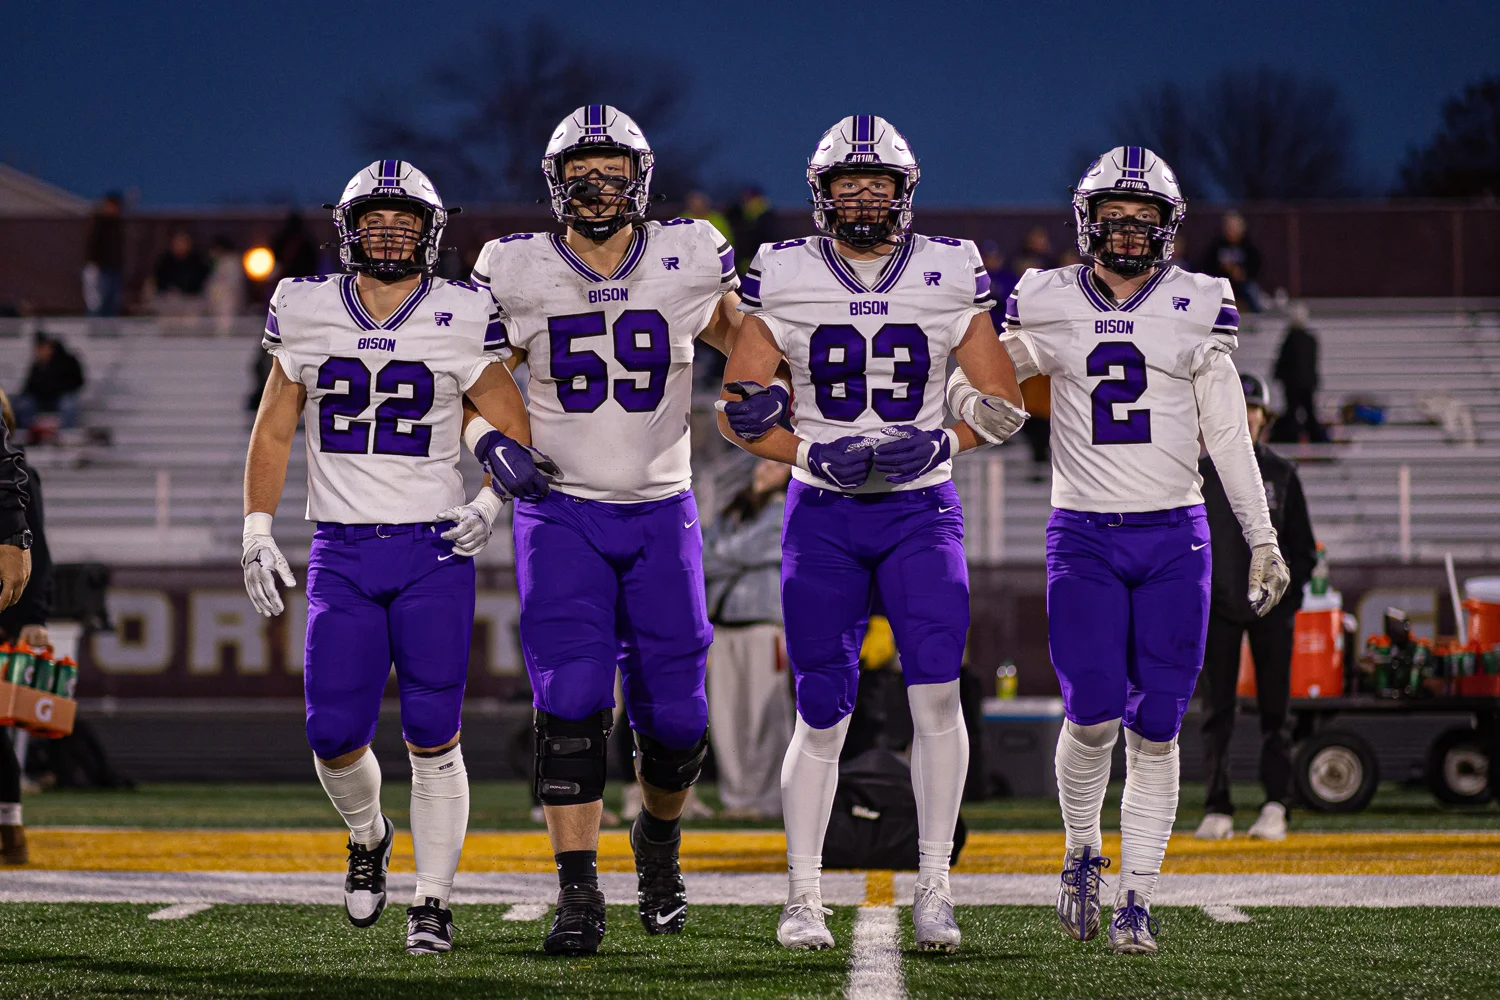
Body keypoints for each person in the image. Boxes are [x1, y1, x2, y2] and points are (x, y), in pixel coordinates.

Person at [717, 114, 1028, 954]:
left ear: (904, 194)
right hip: (822, 513)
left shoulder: (948, 268)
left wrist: (947, 437)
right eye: (847, 186)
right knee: (821, 709)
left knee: (934, 693)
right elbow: (739, 412)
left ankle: (935, 887)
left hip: (920, 511)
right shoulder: (781, 273)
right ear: (821, 197)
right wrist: (813, 449)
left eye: (877, 186)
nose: (862, 200)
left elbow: (1003, 402)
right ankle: (804, 897)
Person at [242, 159, 553, 955]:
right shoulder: (306, 307)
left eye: (403, 221)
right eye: (374, 220)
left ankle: (435, 901)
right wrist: (255, 527)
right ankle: (369, 834)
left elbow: (510, 421)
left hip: (431, 549)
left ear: (429, 233)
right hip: (341, 549)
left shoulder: (460, 311)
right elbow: (276, 426)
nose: (388, 233)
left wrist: (488, 502)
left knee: (432, 732)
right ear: (346, 230)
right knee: (332, 732)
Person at [468, 105, 743, 957]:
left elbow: (753, 341)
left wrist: (773, 400)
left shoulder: (688, 255)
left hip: (664, 512)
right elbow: (464, 378)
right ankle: (578, 891)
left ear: (639, 178)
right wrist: (487, 444)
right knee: (573, 697)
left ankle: (656, 847)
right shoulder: (512, 269)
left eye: (611, 169)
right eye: (579, 171)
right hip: (563, 514)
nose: (596, 185)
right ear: (556, 183)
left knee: (679, 721)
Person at [1001, 146, 1289, 955]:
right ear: (1086, 222)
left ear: (1169, 229)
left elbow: (1228, 436)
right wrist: (967, 400)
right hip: (1084, 534)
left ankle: (1139, 896)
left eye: (1144, 220)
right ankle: (1082, 850)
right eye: (1114, 219)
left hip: (1174, 536)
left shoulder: (1200, 302)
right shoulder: (1046, 297)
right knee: (1091, 711)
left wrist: (1261, 535)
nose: (1128, 234)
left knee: (1158, 722)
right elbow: (994, 379)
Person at [1195, 373, 1316, 842]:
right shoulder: (1200, 474)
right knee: (1215, 711)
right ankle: (1217, 806)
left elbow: (1303, 550)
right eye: (1238, 405)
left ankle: (1275, 803)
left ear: (1265, 417)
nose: (1246, 415)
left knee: (1275, 709)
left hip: (1273, 610)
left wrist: (1289, 600)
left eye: (1253, 407)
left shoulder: (1282, 474)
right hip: (1218, 609)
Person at [703, 459, 794, 819]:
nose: (766, 468)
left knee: (765, 714)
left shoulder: (788, 505)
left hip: (765, 624)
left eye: (776, 464)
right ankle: (738, 799)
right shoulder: (733, 510)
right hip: (723, 627)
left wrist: (722, 554)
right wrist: (729, 554)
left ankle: (770, 798)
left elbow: (750, 549)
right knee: (725, 718)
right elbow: (702, 555)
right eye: (764, 462)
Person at [0, 389, 45, 865]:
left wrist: (34, 615)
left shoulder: (19, 477)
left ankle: (11, 825)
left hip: (7, 603)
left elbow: (40, 551)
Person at [1271, 306, 1328, 443]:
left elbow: (1283, 361)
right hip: (1307, 384)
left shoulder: (1290, 339)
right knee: (1308, 413)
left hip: (1293, 384)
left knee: (1293, 412)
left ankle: (1290, 438)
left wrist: (1277, 375)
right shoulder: (1311, 340)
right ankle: (1318, 440)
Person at [15, 333, 86, 434]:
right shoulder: (38, 365)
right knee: (23, 404)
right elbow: (29, 387)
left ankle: (66, 434)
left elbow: (78, 382)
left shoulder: (68, 362)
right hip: (40, 400)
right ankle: (26, 433)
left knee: (69, 404)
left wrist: (57, 388)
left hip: (60, 398)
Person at [1198, 211, 1264, 312]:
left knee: (1252, 290)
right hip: (1221, 283)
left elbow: (1257, 265)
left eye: (1233, 227)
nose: (1230, 230)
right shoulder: (1217, 245)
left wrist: (1243, 274)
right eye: (1228, 227)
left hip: (1243, 284)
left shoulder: (1248, 246)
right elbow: (1206, 266)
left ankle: (1257, 318)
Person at [149, 230, 213, 316]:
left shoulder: (198, 260)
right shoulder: (165, 260)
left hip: (192, 298)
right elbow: (159, 280)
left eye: (183, 242)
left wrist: (186, 290)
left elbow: (202, 280)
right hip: (169, 297)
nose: (180, 245)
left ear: (188, 244)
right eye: (177, 243)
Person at [82, 192, 125, 317]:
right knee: (95, 305)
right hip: (98, 269)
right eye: (111, 206)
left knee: (111, 306)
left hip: (114, 269)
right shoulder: (97, 223)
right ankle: (92, 334)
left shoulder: (118, 225)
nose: (114, 210)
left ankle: (109, 335)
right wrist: (95, 265)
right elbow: (91, 246)